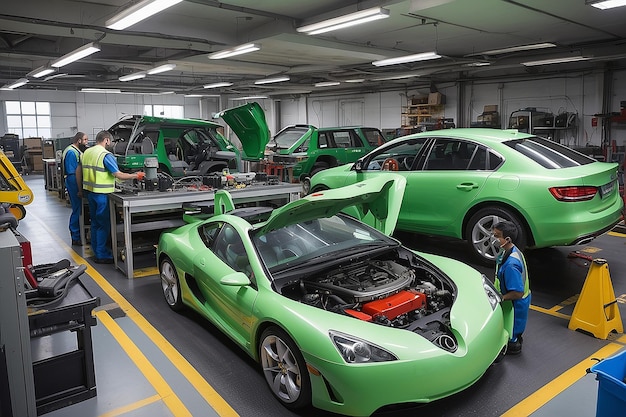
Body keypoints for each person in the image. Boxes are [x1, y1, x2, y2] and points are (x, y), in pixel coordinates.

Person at [82, 130, 144, 264]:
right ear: (106, 140)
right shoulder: (105, 155)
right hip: (102, 194)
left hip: (90, 192)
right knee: (103, 225)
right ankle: (101, 254)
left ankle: (96, 249)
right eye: (110, 141)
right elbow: (118, 175)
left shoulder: (87, 152)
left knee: (95, 222)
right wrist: (136, 175)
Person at [492, 220, 531, 355]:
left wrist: (500, 298)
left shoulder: (511, 265)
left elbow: (517, 293)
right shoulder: (511, 251)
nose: (494, 238)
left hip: (515, 304)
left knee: (511, 331)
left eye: (497, 236)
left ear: (507, 239)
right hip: (514, 301)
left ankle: (513, 344)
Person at [62, 132, 89, 246]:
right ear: (79, 141)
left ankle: (79, 233)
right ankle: (76, 236)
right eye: (85, 140)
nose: (87, 142)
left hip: (74, 182)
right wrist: (79, 189)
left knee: (79, 209)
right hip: (73, 182)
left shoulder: (74, 150)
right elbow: (73, 173)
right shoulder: (72, 152)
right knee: (77, 210)